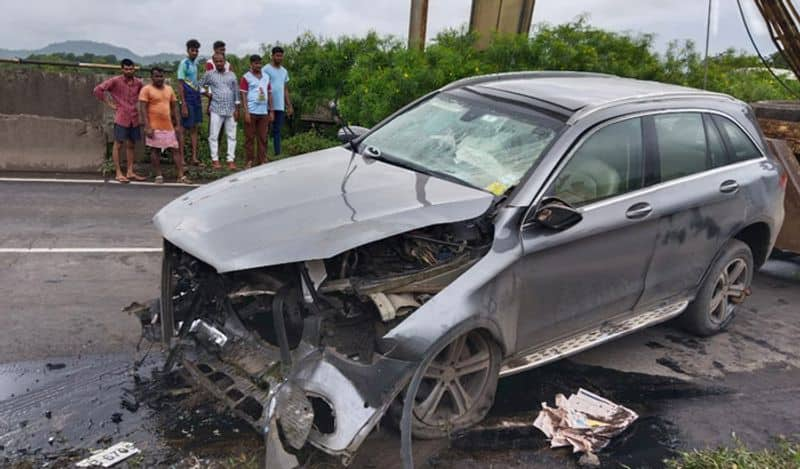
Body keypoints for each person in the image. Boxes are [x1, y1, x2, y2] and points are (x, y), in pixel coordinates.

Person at [93, 58, 146, 183]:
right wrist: (110, 103)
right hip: (121, 117)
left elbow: (144, 94)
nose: (128, 71)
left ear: (134, 69)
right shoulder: (115, 81)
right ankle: (118, 172)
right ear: (122, 69)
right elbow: (97, 90)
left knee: (131, 144)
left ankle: (130, 171)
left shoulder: (138, 83)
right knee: (118, 144)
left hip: (134, 117)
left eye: (131, 68)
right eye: (126, 69)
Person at [138, 67, 188, 183]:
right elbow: (143, 108)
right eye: (157, 76)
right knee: (155, 150)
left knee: (175, 149)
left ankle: (181, 176)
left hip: (169, 126)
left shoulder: (169, 89)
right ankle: (158, 175)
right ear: (152, 77)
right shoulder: (146, 89)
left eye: (161, 76)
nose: (160, 79)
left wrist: (178, 124)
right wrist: (147, 126)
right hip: (154, 126)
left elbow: (175, 107)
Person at [199, 53, 240, 169]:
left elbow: (236, 92)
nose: (219, 63)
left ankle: (230, 160)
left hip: (231, 109)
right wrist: (207, 94)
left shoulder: (232, 75)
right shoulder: (209, 74)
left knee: (232, 136)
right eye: (216, 61)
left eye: (221, 61)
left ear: (225, 61)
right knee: (213, 135)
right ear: (213, 62)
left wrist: (237, 109)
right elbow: (199, 85)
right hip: (216, 109)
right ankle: (215, 160)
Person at [240, 55, 274, 168]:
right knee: (249, 138)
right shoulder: (246, 77)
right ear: (251, 64)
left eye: (260, 63)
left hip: (263, 112)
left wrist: (271, 111)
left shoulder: (266, 77)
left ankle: (262, 160)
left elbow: (269, 94)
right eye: (256, 63)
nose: (258, 65)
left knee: (263, 137)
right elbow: (243, 95)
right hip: (251, 111)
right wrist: (246, 112)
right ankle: (249, 160)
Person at [263, 46, 293, 156]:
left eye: (281, 56)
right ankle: (263, 154)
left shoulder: (284, 71)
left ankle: (277, 153)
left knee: (277, 130)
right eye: (277, 55)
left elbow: (284, 89)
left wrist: (289, 105)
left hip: (280, 105)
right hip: (267, 105)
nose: (279, 58)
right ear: (272, 56)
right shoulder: (266, 69)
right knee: (265, 130)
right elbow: (261, 86)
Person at [177, 39, 202, 166]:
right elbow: (180, 84)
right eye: (192, 50)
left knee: (194, 127)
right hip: (187, 97)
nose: (195, 52)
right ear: (188, 50)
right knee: (183, 129)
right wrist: (183, 103)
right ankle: (181, 158)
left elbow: (195, 81)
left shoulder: (195, 64)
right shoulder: (184, 63)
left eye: (197, 50)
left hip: (196, 96)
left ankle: (194, 157)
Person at [205, 40, 233, 118]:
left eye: (224, 50)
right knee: (214, 122)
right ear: (215, 50)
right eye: (221, 50)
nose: (223, 52)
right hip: (214, 96)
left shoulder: (228, 64)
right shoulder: (210, 63)